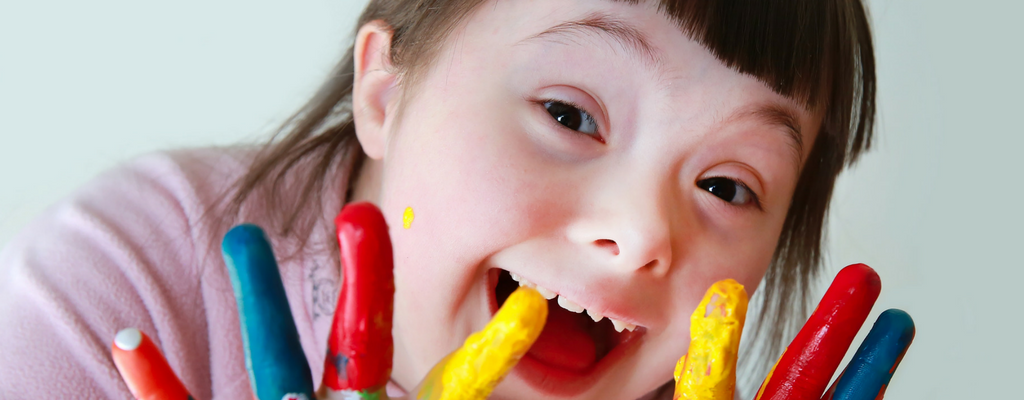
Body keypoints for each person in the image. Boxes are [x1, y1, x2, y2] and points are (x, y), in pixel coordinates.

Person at [0, 0, 879, 398]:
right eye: (570, 115)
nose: (644, 233)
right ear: (386, 92)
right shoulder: (129, 282)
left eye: (727, 186)